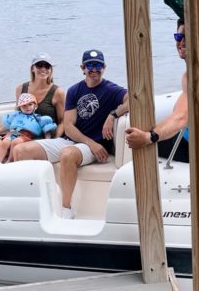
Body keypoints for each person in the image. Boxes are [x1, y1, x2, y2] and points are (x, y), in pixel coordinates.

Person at [13, 49, 128, 219]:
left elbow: (134, 99)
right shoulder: (75, 90)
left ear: (104, 67)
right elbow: (68, 125)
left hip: (97, 146)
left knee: (67, 155)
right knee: (20, 150)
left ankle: (66, 210)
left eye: (98, 65)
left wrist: (113, 115)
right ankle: (33, 203)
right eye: (90, 65)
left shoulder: (111, 90)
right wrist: (89, 142)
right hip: (78, 141)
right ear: (83, 67)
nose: (94, 69)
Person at [126, 18, 189, 162]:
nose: (182, 42)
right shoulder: (189, 75)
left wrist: (149, 137)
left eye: (188, 36)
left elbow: (180, 117)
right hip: (187, 138)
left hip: (196, 148)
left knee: (144, 147)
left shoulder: (196, 76)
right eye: (179, 36)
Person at [0, 93, 57, 163]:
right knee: (5, 142)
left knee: (16, 142)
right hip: (13, 133)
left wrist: (47, 140)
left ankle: (10, 160)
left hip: (26, 136)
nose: (27, 107)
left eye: (30, 104)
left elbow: (46, 128)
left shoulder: (38, 118)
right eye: (24, 106)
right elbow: (7, 124)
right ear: (20, 108)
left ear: (35, 105)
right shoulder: (16, 115)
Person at [16, 52, 65, 136]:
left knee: (18, 148)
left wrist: (55, 140)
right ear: (32, 69)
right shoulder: (20, 88)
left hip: (46, 138)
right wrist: (0, 130)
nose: (43, 68)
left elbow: (62, 121)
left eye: (47, 66)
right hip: (24, 134)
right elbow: (17, 114)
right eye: (39, 65)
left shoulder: (58, 92)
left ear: (50, 70)